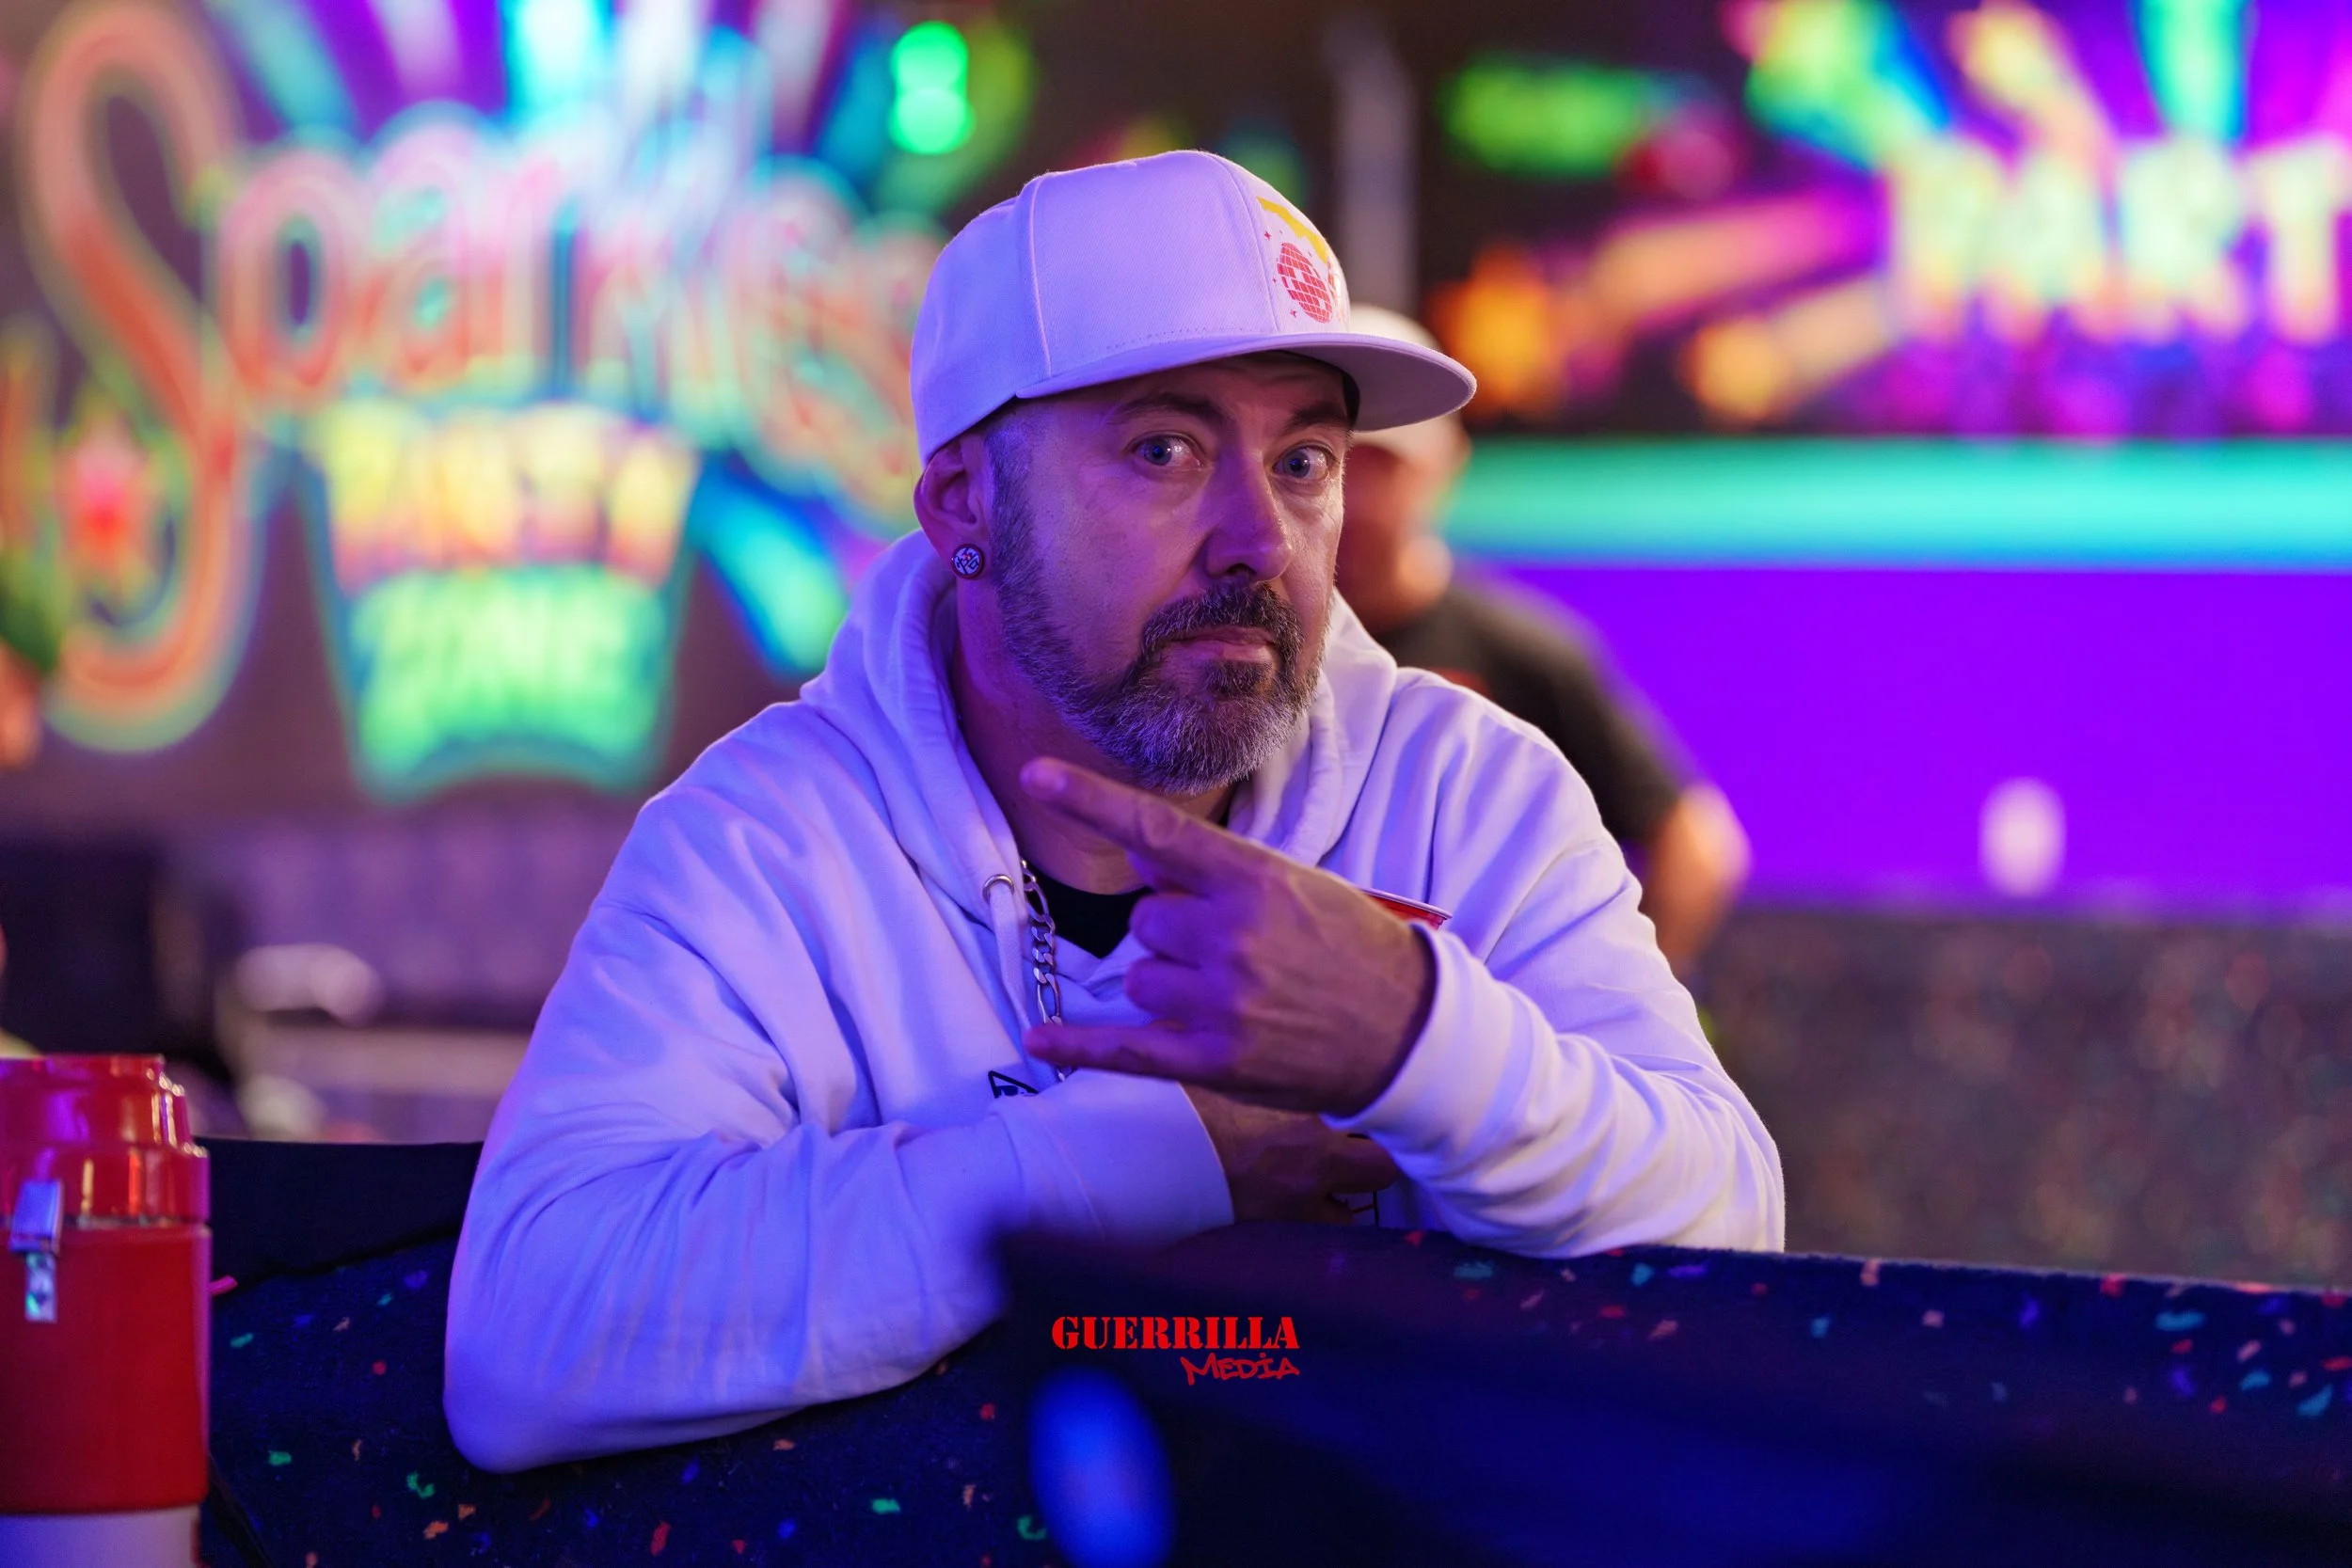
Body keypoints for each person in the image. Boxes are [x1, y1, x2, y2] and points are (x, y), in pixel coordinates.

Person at [444, 151, 1782, 1471]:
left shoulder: (1465, 785)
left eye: (1306, 458)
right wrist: (1151, 1153)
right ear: (964, 500)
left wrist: (1414, 1035)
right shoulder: (772, 837)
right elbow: (525, 1345)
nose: (1260, 537)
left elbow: (1733, 1234)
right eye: (1164, 448)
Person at [1336, 308, 1750, 975]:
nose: (1355, 496)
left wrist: (1614, 1018)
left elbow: (1697, 845)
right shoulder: (1254, 646)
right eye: (1328, 460)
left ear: (1446, 465)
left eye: (1383, 465)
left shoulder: (1523, 652)